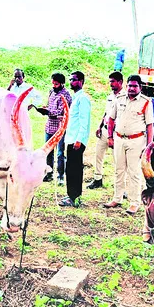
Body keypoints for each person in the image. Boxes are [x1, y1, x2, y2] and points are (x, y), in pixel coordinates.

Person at [104, 75, 154, 215]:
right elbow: (111, 119)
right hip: (119, 138)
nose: (131, 88)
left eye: (135, 86)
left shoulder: (146, 102)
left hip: (136, 141)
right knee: (119, 170)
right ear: (126, 86)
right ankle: (117, 198)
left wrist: (149, 145)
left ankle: (134, 202)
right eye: (130, 86)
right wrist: (110, 137)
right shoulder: (119, 99)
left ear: (140, 87)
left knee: (134, 172)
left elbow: (150, 125)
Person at [87, 72, 125, 189]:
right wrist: (99, 125)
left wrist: (113, 136)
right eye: (110, 81)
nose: (110, 84)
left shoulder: (125, 97)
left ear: (120, 82)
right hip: (104, 131)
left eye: (113, 81)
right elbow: (106, 113)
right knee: (98, 155)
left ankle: (120, 186)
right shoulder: (110, 96)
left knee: (119, 161)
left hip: (116, 133)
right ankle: (97, 179)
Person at [59, 71, 91, 208]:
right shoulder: (75, 97)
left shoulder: (83, 98)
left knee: (75, 170)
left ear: (81, 81)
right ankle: (71, 194)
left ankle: (74, 197)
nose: (71, 82)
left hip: (76, 141)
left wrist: (79, 140)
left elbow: (85, 121)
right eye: (70, 79)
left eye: (74, 80)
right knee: (70, 169)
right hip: (70, 139)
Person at [34, 73, 72, 184]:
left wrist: (49, 112)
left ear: (61, 84)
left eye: (56, 84)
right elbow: (49, 105)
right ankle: (48, 173)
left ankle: (60, 175)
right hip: (49, 125)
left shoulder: (66, 95)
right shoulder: (51, 91)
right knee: (48, 151)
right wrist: (44, 109)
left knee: (60, 152)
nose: (54, 86)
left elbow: (62, 112)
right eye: (53, 83)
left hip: (60, 127)